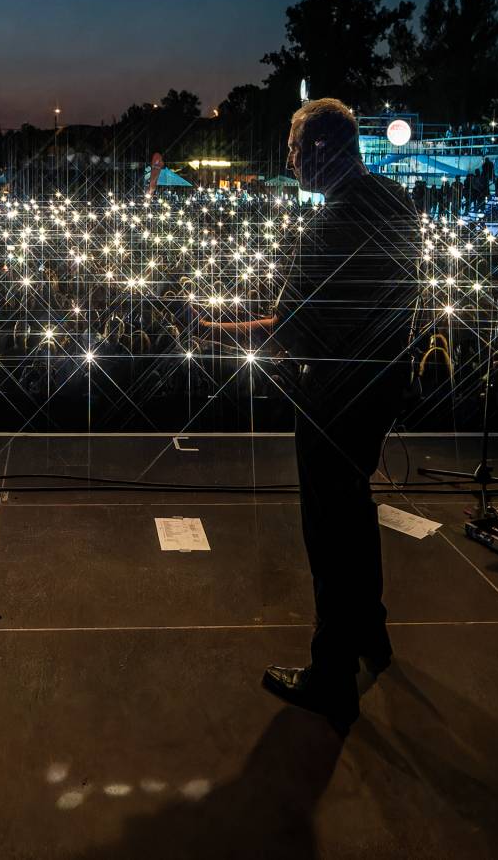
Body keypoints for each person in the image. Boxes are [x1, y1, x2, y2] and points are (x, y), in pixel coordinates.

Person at [200, 98, 418, 732]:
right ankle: (371, 631)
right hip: (384, 383)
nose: (290, 161)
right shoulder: (398, 202)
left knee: (328, 527)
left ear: (321, 149)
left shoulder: (325, 228)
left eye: (295, 149)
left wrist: (212, 331)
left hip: (332, 398)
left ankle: (332, 675)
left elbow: (290, 333)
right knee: (355, 503)